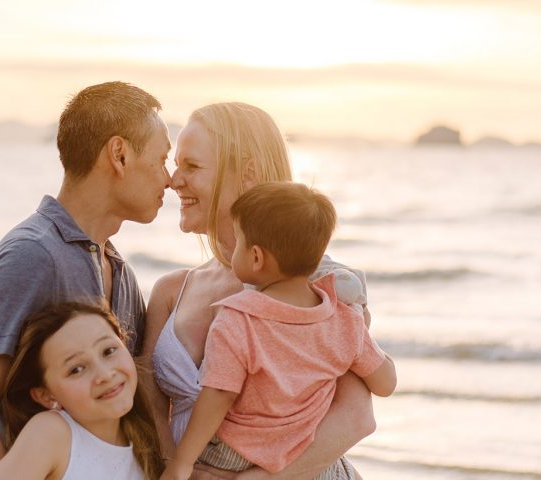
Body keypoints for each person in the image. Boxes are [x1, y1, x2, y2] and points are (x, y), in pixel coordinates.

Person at [0, 81, 172, 480]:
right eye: (161, 159)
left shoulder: (122, 274)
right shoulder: (32, 255)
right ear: (119, 155)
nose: (168, 178)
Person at [140, 102, 377, 479]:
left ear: (247, 173)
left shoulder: (316, 285)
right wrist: (174, 466)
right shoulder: (172, 290)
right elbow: (148, 396)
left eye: (192, 166)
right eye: (176, 164)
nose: (173, 180)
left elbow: (357, 416)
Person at [159, 183, 396, 480]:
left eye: (239, 241)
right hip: (300, 453)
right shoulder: (345, 320)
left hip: (234, 453)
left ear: (256, 258)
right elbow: (385, 384)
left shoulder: (237, 317)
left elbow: (218, 394)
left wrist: (181, 461)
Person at [0, 302, 164, 480]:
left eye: (108, 351)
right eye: (76, 369)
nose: (105, 375)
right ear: (46, 395)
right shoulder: (52, 433)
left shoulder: (149, 442)